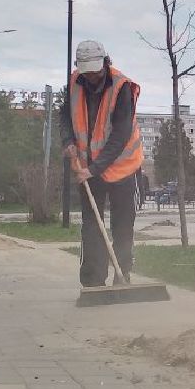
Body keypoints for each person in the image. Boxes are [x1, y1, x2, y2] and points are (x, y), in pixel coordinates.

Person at [60, 40, 143, 287]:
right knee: (92, 225)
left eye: (95, 72)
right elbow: (65, 115)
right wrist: (68, 140)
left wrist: (93, 169)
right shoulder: (76, 82)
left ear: (106, 63)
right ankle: (93, 281)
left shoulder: (122, 87)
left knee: (122, 225)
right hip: (88, 167)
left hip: (122, 166)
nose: (92, 78)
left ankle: (122, 276)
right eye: (87, 72)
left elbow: (121, 135)